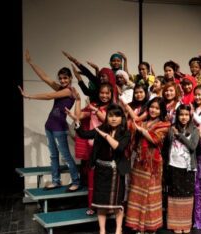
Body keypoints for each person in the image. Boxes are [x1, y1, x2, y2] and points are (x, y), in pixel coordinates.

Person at [19, 49, 79, 191]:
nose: (63, 80)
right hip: (50, 126)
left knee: (65, 155)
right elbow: (45, 77)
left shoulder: (69, 91)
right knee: (53, 156)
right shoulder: (60, 88)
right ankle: (56, 181)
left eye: (65, 78)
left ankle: (76, 181)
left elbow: (48, 96)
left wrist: (29, 96)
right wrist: (31, 63)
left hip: (59, 128)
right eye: (61, 78)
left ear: (70, 78)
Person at [71, 103, 130, 234]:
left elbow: (119, 147)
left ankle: (118, 229)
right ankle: (102, 230)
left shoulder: (125, 132)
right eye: (110, 116)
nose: (113, 118)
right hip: (101, 170)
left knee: (117, 203)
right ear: (107, 117)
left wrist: (105, 136)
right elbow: (84, 134)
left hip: (117, 171)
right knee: (101, 203)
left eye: (117, 116)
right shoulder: (101, 128)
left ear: (122, 118)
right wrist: (77, 122)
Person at [125, 97, 171, 233]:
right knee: (137, 194)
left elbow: (155, 140)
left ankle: (150, 227)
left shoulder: (164, 125)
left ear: (161, 110)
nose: (153, 110)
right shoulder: (143, 122)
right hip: (139, 162)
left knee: (151, 195)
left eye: (157, 108)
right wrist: (136, 127)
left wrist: (141, 130)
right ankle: (138, 225)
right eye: (152, 107)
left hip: (153, 164)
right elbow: (132, 129)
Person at [164, 104, 199, 234]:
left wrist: (179, 135)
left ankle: (185, 223)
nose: (183, 117)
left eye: (186, 115)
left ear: (189, 116)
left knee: (187, 196)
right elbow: (167, 147)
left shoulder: (194, 130)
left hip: (188, 168)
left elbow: (193, 147)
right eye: (181, 114)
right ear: (177, 116)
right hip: (174, 166)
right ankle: (175, 224)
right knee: (174, 196)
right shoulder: (171, 129)